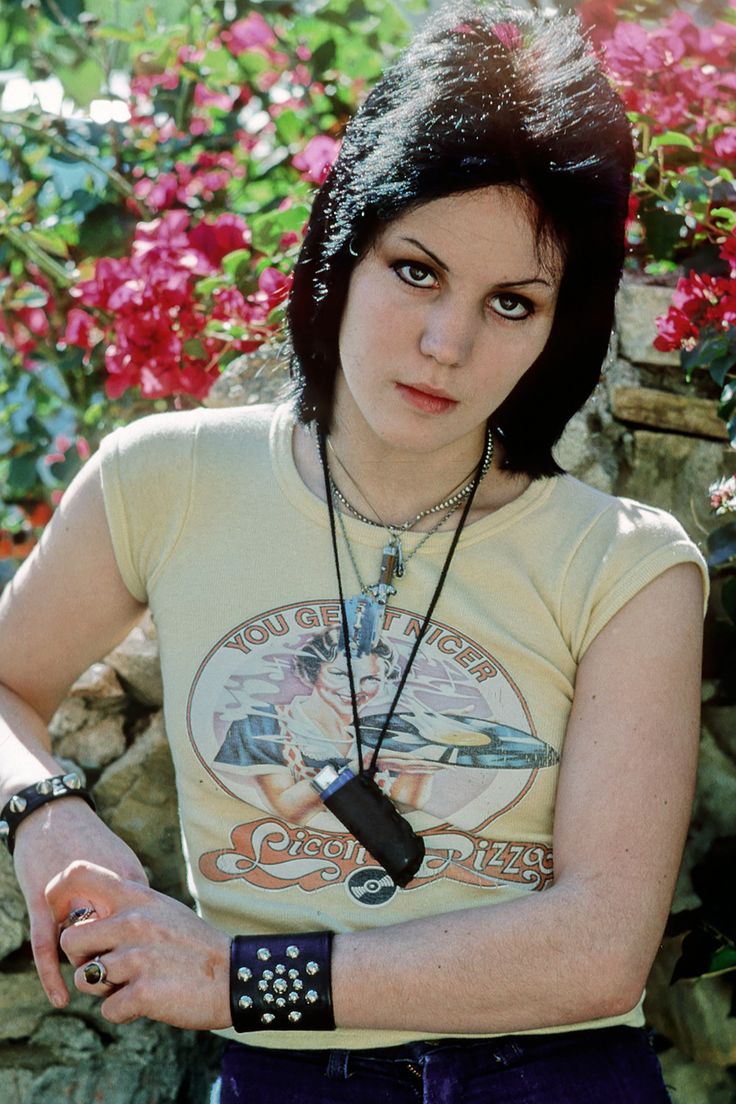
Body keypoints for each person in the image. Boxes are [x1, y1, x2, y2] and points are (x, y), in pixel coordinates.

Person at [0, 1, 708, 1100]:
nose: (446, 343)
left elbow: (598, 947)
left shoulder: (626, 565)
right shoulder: (165, 480)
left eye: (510, 302)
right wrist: (44, 812)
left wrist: (239, 978)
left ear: (559, 329)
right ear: (342, 249)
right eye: (415, 270)